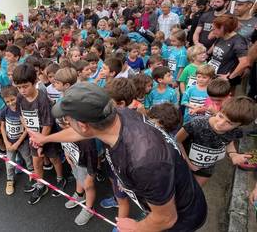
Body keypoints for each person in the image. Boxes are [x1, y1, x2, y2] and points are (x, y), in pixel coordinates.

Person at [28, 82, 207, 232]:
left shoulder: (143, 162)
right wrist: (45, 138)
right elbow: (82, 133)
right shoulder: (117, 115)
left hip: (179, 220)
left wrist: (136, 227)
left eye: (68, 119)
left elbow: (166, 219)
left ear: (83, 124)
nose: (66, 122)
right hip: (162, 201)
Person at [12, 64, 66, 205]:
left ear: (35, 82)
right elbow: (22, 116)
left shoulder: (42, 100)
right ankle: (41, 185)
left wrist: (40, 141)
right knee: (36, 161)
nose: (22, 90)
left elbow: (47, 125)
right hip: (34, 137)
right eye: (19, 87)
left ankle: (60, 178)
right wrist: (30, 133)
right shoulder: (19, 98)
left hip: (47, 136)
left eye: (25, 86)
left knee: (54, 158)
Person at [176, 96, 257, 186]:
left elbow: (229, 141)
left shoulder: (236, 132)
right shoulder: (197, 123)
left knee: (194, 190)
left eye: (229, 123)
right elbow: (177, 140)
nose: (220, 123)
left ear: (240, 125)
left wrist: (233, 154)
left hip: (206, 169)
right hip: (183, 163)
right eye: (220, 116)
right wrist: (189, 164)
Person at [0, 86, 33, 195]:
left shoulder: (22, 110)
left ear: (17, 97)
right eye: (7, 101)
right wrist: (5, 141)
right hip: (9, 143)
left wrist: (18, 143)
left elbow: (27, 129)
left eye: (12, 100)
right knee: (9, 163)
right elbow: (2, 127)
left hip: (22, 142)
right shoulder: (4, 110)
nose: (10, 103)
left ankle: (32, 174)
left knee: (28, 159)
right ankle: (10, 180)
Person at [207, 14, 249, 90]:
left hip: (224, 81)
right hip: (214, 75)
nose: (212, 32)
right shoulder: (221, 36)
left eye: (214, 29)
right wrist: (206, 54)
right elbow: (215, 46)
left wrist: (229, 77)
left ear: (223, 28)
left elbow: (245, 62)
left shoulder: (238, 42)